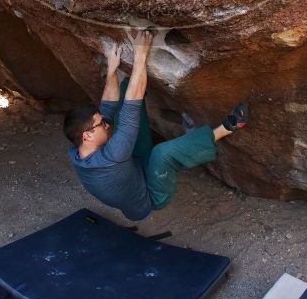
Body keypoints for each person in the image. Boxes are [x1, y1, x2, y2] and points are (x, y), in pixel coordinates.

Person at [64, 30, 250, 221]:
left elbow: (108, 107)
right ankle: (226, 128)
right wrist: (141, 54)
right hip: (150, 196)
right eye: (101, 124)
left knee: (126, 91)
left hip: (133, 167)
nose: (106, 124)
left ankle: (139, 80)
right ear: (87, 136)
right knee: (162, 153)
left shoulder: (77, 151)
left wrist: (112, 69)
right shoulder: (113, 156)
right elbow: (131, 106)